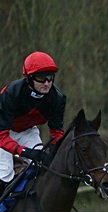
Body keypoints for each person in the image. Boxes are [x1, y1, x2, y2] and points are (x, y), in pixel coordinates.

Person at [0, 51, 66, 184]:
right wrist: (24, 151)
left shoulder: (57, 99)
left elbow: (56, 134)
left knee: (42, 168)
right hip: (3, 133)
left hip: (27, 131)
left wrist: (56, 154)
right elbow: (2, 136)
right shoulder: (11, 93)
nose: (47, 83)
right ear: (30, 78)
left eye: (50, 77)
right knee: (5, 172)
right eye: (41, 78)